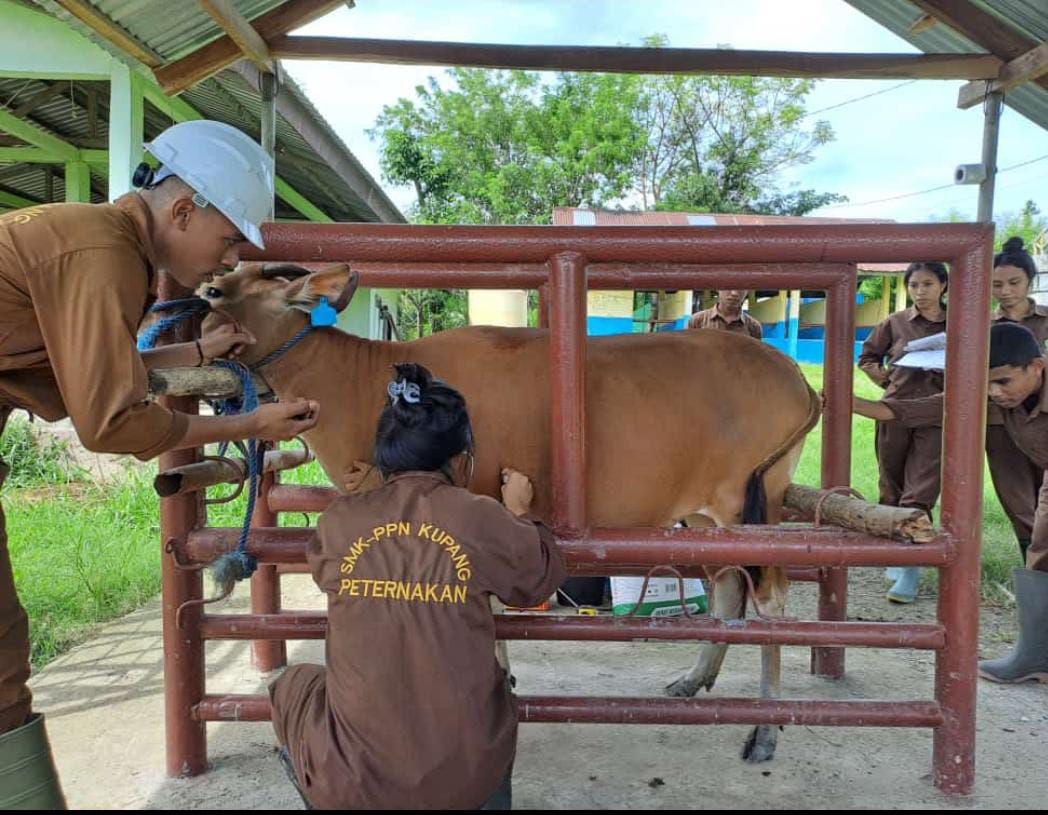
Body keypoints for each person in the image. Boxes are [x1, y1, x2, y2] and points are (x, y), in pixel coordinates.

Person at [0, 120, 319, 809]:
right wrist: (248, 423)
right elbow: (109, 418)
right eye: (229, 238)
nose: (228, 260)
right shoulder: (101, 252)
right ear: (181, 209)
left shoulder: (97, 240)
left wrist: (196, 355)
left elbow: (93, 371)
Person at [269, 363, 566, 810]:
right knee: (493, 692)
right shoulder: (480, 517)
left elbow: (323, 568)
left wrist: (370, 503)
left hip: (353, 787)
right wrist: (519, 515)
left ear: (385, 455)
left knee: (291, 684)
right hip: (464, 783)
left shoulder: (341, 520)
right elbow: (538, 581)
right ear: (462, 458)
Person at [851, 323, 1048, 684]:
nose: (995, 392)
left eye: (1003, 381)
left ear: (1036, 367)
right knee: (1041, 550)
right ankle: (1038, 658)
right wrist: (853, 404)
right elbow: (922, 410)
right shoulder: (994, 395)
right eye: (987, 383)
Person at [856, 262, 948, 603]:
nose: (920, 291)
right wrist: (884, 377)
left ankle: (910, 572)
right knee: (890, 486)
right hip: (892, 412)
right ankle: (897, 554)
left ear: (943, 285)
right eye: (914, 285)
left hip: (937, 415)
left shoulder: (959, 323)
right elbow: (867, 357)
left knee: (920, 491)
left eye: (928, 284)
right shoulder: (894, 323)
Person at [987, 237, 1048, 563]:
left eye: (1014, 282)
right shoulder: (980, 327)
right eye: (996, 284)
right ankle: (1033, 566)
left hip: (1041, 416)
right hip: (999, 423)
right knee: (1017, 499)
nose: (1005, 291)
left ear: (1030, 282)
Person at [687, 289, 763, 339]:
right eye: (729, 286)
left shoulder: (753, 327)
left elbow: (755, 359)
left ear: (747, 291)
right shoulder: (697, 321)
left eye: (741, 288)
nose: (734, 293)